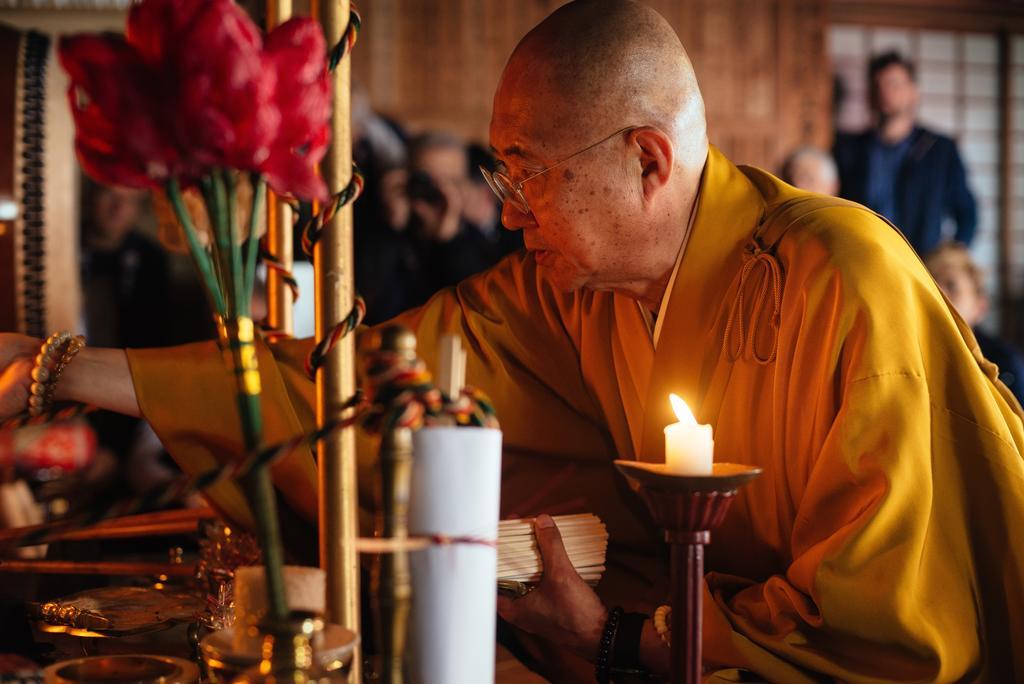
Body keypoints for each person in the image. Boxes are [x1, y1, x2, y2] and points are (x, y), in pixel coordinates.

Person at [2, 1, 1023, 681]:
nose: (507, 211)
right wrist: (58, 370)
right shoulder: (580, 293)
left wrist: (622, 641)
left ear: (646, 161)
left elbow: (885, 632)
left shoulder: (844, 275)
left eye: (525, 171)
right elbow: (360, 389)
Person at [833, 51, 977, 256]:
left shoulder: (939, 149)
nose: (885, 92)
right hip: (862, 260)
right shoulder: (849, 148)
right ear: (869, 95)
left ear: (913, 92)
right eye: (877, 85)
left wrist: (953, 258)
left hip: (922, 262)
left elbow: (966, 211)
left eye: (894, 84)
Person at [925, 241, 1024, 405]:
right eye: (931, 284)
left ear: (980, 307)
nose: (939, 293)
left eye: (951, 286)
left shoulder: (1003, 362)